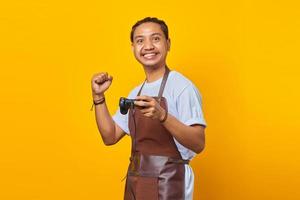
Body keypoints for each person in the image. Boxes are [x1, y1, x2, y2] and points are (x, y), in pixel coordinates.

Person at [91, 17, 207, 200]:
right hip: (137, 180)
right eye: (140, 40)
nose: (148, 46)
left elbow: (198, 143)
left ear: (168, 44)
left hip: (170, 180)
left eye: (155, 38)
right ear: (133, 48)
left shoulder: (182, 87)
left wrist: (163, 116)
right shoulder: (136, 92)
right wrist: (98, 97)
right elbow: (110, 136)